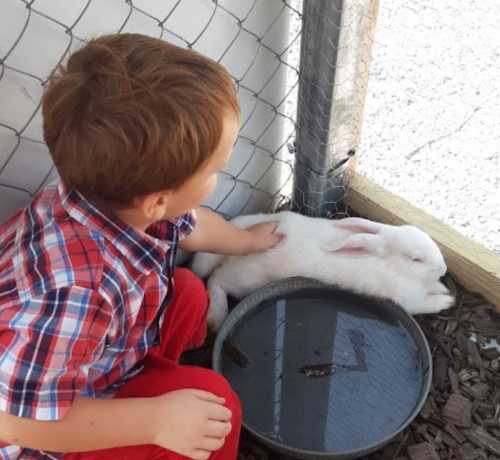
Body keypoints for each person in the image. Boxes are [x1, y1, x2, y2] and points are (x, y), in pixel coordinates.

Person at [0, 33, 282, 460]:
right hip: (52, 428)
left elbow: (193, 226)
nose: (219, 177)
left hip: (97, 357)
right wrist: (154, 420)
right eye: (216, 170)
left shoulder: (111, 200)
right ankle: (168, 411)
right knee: (215, 405)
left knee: (187, 292)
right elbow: (19, 420)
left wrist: (246, 241)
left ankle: (157, 381)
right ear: (157, 201)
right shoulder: (76, 292)